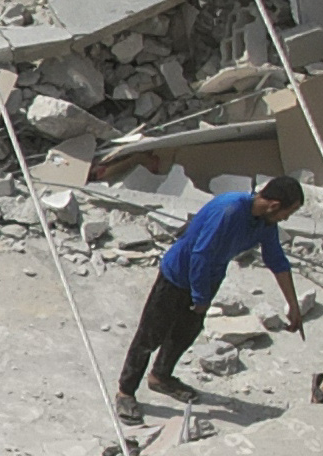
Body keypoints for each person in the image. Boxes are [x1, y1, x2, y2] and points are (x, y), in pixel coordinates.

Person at [117, 173, 307, 420]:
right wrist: (200, 297)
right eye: (287, 213)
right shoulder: (229, 211)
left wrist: (292, 304)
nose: (285, 219)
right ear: (274, 205)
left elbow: (276, 260)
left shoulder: (265, 223)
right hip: (177, 277)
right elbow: (200, 255)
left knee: (185, 333)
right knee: (149, 336)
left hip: (208, 280)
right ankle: (125, 392)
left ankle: (160, 376)